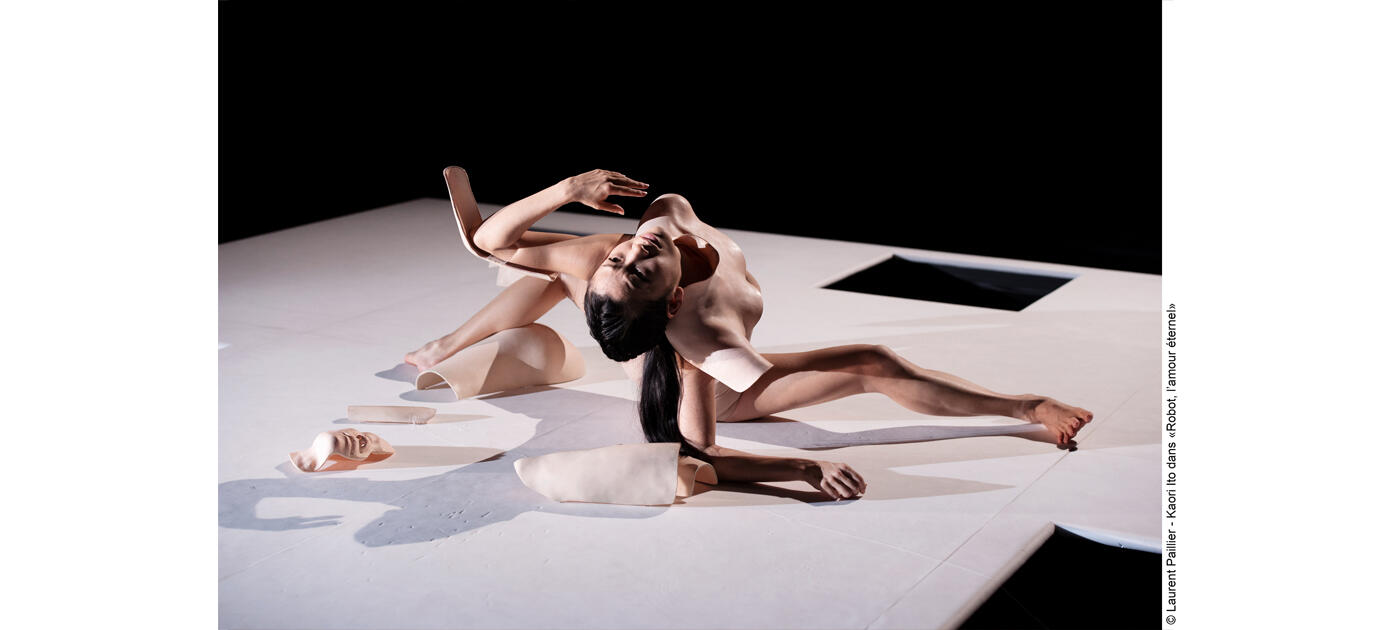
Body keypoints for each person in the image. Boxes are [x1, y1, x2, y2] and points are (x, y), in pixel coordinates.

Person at [407, 167, 1094, 500]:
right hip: (716, 387)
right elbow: (699, 448)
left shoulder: (616, 254)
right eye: (638, 267)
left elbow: (489, 241)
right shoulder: (703, 342)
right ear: (675, 299)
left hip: (654, 335)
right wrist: (800, 467)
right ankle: (1027, 408)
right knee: (874, 360)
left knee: (569, 271)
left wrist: (569, 188)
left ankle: (448, 345)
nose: (631, 250)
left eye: (623, 257)